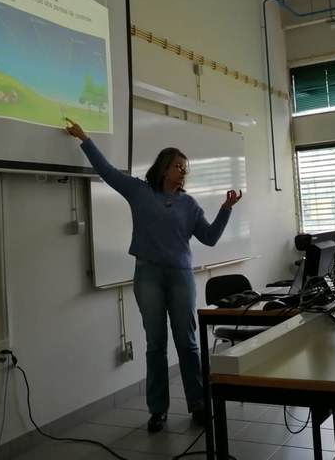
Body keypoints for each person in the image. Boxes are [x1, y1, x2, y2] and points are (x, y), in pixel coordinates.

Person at [65, 118, 243, 433]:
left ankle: (198, 404)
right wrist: (85, 138)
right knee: (155, 344)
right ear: (164, 169)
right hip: (148, 274)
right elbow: (107, 171)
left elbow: (210, 238)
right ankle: (157, 410)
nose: (184, 171)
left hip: (181, 276)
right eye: (178, 165)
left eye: (187, 167)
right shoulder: (139, 191)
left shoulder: (189, 204)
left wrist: (226, 209)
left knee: (187, 344)